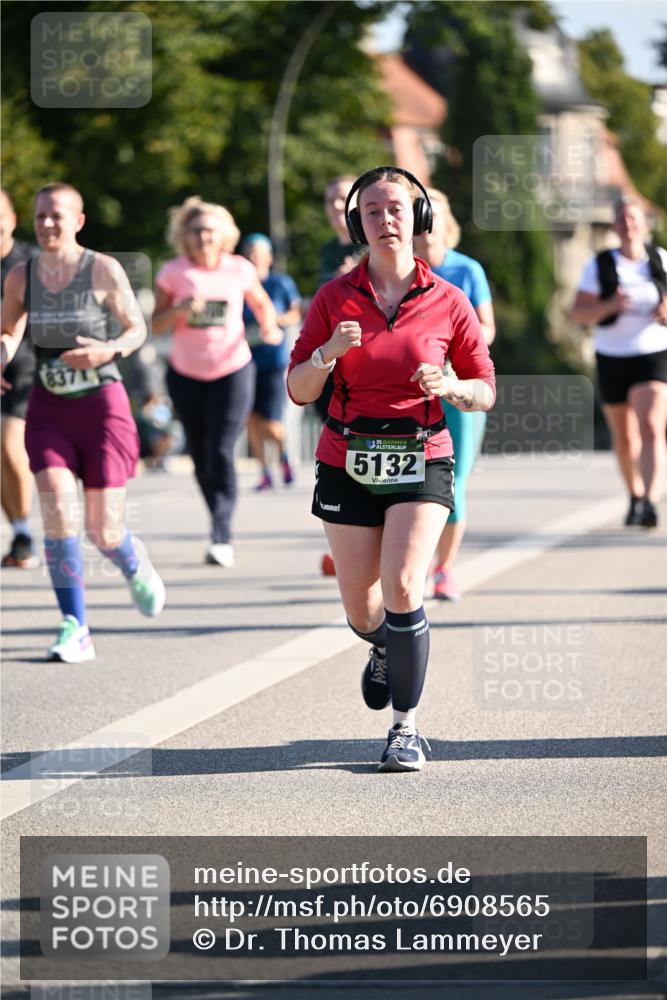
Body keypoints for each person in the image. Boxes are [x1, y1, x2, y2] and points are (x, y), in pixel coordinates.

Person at [287, 167, 495, 772]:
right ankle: (385, 646)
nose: (385, 220)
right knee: (362, 604)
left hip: (422, 453)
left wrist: (452, 385)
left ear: (419, 218)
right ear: (358, 223)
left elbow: (485, 388)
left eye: (396, 209)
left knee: (405, 586)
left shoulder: (449, 300)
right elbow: (299, 389)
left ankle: (406, 728)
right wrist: (329, 353)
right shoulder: (333, 298)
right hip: (346, 457)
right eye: (372, 211)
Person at [0, 182, 165, 663]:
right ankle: (76, 626)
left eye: (57, 215)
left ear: (78, 221)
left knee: (104, 531)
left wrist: (106, 349)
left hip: (101, 407)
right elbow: (10, 331)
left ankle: (134, 565)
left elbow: (136, 328)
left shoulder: (101, 269)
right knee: (56, 513)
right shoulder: (21, 276)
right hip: (48, 407)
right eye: (41, 216)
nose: (47, 224)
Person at [152, 197, 281, 567]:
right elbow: (156, 324)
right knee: (200, 453)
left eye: (210, 229)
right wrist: (178, 309)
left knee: (222, 449)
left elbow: (260, 302)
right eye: (196, 230)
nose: (204, 236)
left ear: (223, 234)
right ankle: (216, 515)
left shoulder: (238, 268)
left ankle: (221, 534)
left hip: (232, 368)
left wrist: (269, 325)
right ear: (186, 236)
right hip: (185, 373)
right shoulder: (173, 272)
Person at [414, 189, 496, 601]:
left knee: (453, 481)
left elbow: (488, 329)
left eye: (433, 216)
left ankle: (444, 569)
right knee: (411, 479)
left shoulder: (467, 270)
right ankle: (416, 563)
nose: (426, 227)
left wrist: (451, 355)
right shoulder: (400, 273)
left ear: (446, 222)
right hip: (410, 389)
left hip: (457, 386)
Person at [572, 198, 667, 528]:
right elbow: (578, 313)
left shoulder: (661, 260)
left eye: (635, 218)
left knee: (652, 425)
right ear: (615, 226)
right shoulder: (599, 265)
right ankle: (635, 494)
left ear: (645, 224)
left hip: (654, 353)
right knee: (625, 436)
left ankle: (652, 501)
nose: (629, 224)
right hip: (612, 355)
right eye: (623, 219)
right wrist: (609, 305)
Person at [240, 233, 301, 491]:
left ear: (269, 257)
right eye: (249, 252)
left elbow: (296, 311)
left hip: (273, 361)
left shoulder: (281, 283)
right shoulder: (239, 283)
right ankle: (264, 471)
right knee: (250, 418)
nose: (254, 257)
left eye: (259, 252)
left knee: (270, 419)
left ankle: (285, 455)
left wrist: (279, 320)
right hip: (243, 360)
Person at [1, 189, 40, 568]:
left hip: (22, 367)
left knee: (10, 448)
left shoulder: (30, 263)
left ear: (12, 219)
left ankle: (25, 531)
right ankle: (20, 532)